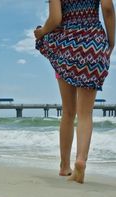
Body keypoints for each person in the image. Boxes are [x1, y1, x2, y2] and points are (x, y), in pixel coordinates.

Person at [34, 0, 115, 183]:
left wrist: (41, 32)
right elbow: (108, 9)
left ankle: (64, 166)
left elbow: (55, 19)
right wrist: (111, 42)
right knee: (85, 114)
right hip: (93, 43)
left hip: (66, 46)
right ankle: (81, 159)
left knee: (68, 112)